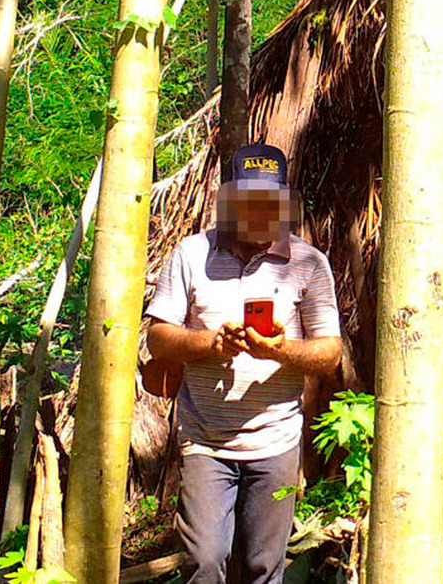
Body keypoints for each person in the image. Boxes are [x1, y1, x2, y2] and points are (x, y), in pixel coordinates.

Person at [145, 143, 342, 584]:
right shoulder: (191, 254)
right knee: (206, 560)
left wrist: (279, 351)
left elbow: (330, 353)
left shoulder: (308, 264)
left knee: (261, 567)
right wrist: (212, 343)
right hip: (205, 440)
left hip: (276, 440)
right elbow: (157, 338)